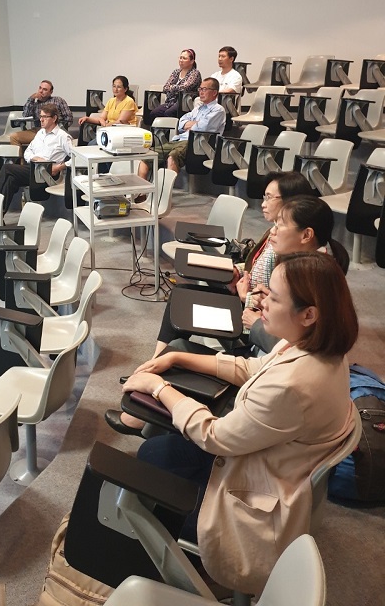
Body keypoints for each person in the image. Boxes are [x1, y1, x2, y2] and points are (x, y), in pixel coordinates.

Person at [122, 253, 358, 595]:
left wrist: (160, 389)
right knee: (155, 453)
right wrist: (178, 357)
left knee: (148, 474)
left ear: (308, 314)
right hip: (272, 463)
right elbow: (253, 369)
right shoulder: (317, 345)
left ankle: (188, 565)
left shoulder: (294, 385)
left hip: (257, 495)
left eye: (274, 298)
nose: (261, 301)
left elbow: (213, 436)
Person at [106, 189, 347, 435]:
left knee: (157, 449)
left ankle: (149, 410)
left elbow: (216, 435)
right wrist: (244, 283)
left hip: (252, 335)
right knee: (180, 322)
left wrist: (249, 304)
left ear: (306, 234)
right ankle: (151, 385)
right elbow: (264, 356)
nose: (272, 225)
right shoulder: (295, 265)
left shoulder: (308, 279)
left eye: (280, 221)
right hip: (255, 338)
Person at [138, 77, 225, 179]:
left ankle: (168, 188)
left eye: (204, 89)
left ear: (214, 92)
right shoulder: (198, 108)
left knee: (172, 157)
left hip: (196, 144)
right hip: (179, 139)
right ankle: (142, 189)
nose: (201, 92)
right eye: (200, 89)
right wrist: (194, 124)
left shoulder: (218, 110)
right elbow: (181, 123)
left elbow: (201, 128)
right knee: (147, 156)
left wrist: (191, 125)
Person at [0, 104, 73, 213]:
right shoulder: (40, 133)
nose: (41, 120)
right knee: (10, 180)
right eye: (41, 116)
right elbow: (27, 152)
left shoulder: (63, 136)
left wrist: (59, 167)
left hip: (48, 172)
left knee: (7, 168)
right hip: (34, 167)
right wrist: (35, 158)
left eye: (45, 117)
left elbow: (76, 157)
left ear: (54, 118)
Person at [9, 80, 73, 151]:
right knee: (14, 137)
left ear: (51, 92)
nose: (41, 91)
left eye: (45, 89)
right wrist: (31, 99)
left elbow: (69, 118)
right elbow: (25, 115)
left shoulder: (58, 100)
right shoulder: (34, 104)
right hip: (37, 131)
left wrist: (57, 129)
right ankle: (19, 159)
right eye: (40, 88)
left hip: (54, 131)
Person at [148, 49, 202, 121]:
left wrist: (172, 87)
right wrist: (174, 88)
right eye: (180, 58)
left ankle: (173, 128)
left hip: (184, 103)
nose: (181, 60)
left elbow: (185, 88)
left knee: (169, 113)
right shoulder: (176, 72)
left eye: (184, 58)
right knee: (154, 113)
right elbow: (165, 88)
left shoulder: (195, 73)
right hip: (170, 102)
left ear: (192, 61)